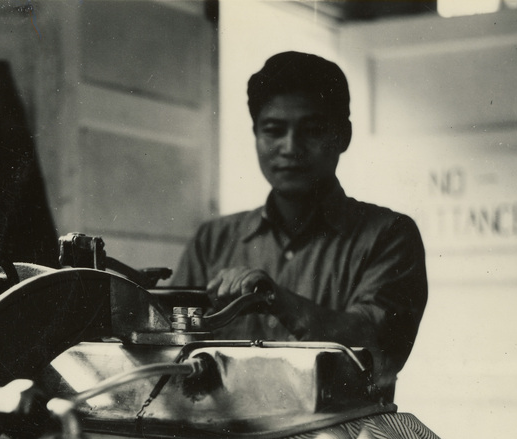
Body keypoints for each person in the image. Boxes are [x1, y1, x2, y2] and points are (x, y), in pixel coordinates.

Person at [173, 51, 428, 397]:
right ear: (256, 135)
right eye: (274, 130)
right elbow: (172, 347)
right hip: (220, 429)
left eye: (312, 131)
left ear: (344, 136)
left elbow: (379, 349)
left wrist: (276, 299)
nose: (290, 147)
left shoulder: (389, 234)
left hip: (344, 429)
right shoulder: (213, 239)